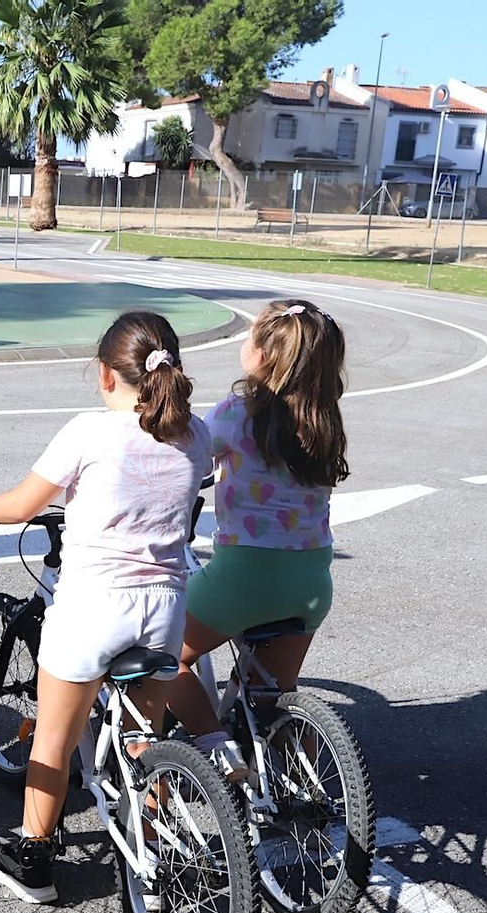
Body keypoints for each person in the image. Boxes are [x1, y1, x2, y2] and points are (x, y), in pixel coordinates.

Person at [0, 312, 211, 905]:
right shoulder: (195, 435)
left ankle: (34, 859)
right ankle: (155, 864)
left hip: (94, 605)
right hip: (164, 608)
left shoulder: (89, 433)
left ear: (105, 375)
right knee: (147, 740)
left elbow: (21, 505)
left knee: (53, 739)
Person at [161, 299, 349, 782]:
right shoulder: (324, 423)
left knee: (163, 659)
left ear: (262, 356)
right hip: (310, 579)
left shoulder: (234, 414)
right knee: (272, 692)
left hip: (245, 576)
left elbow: (188, 458)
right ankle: (308, 788)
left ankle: (214, 745)